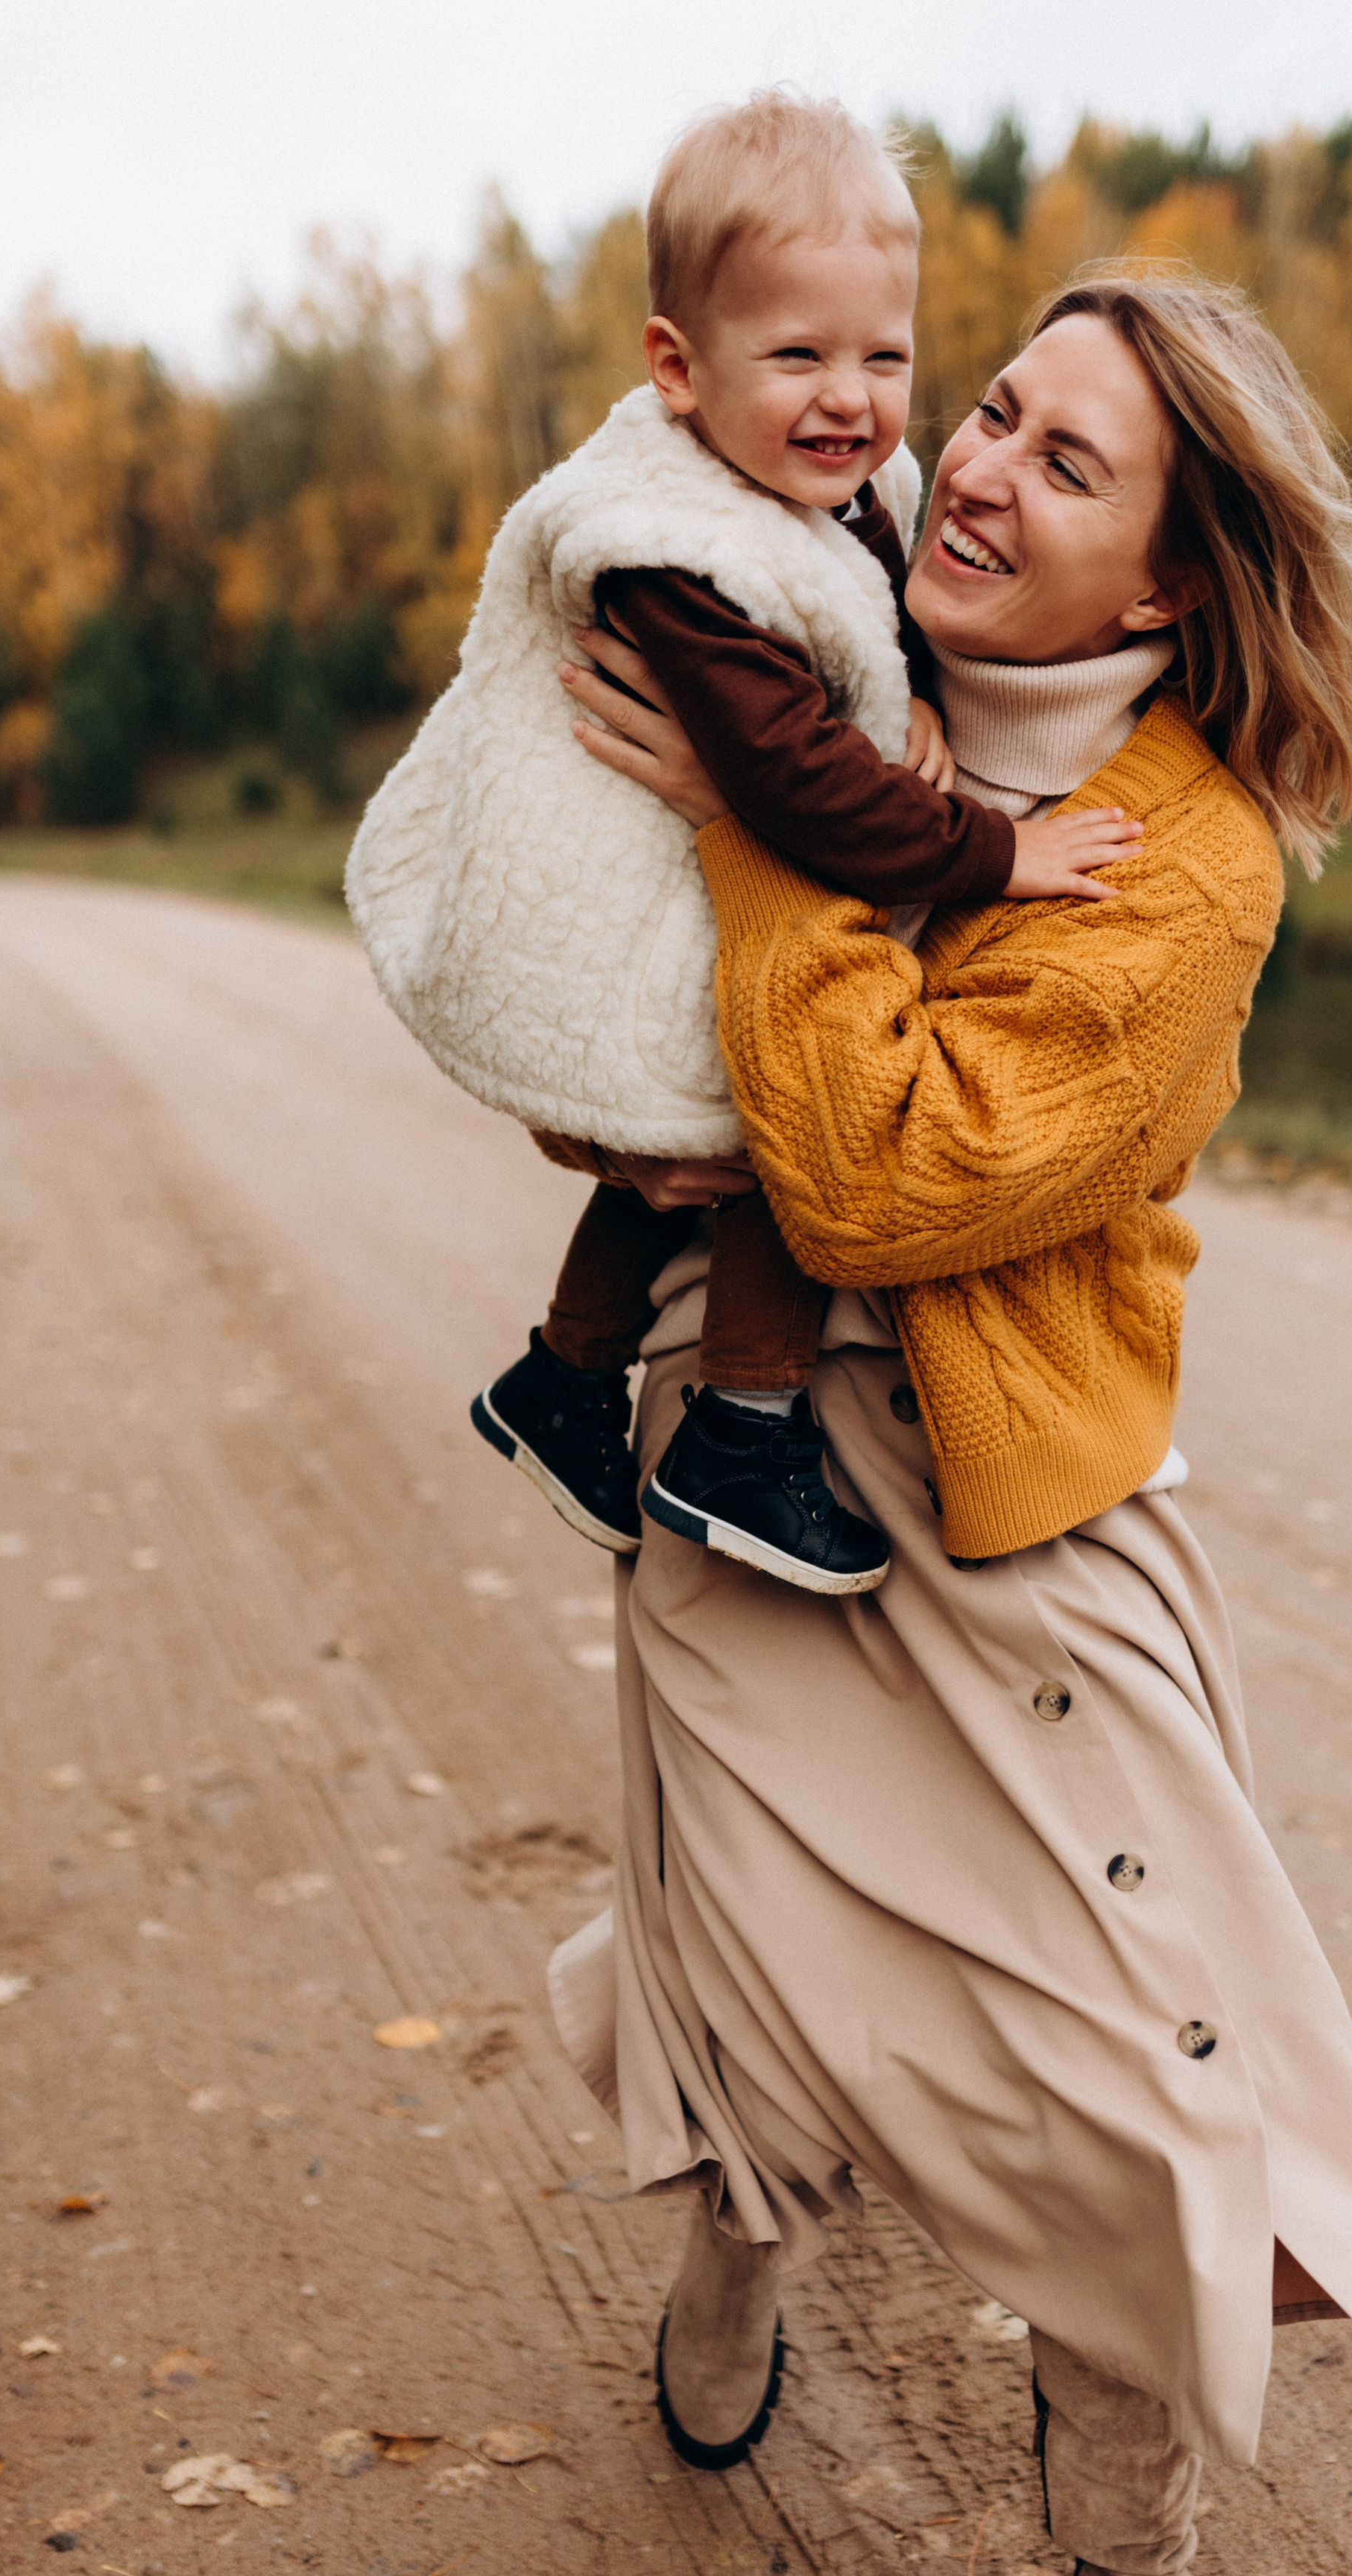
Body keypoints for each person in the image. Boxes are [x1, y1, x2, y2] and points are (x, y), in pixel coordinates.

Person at [543, 276, 1352, 2576]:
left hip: (1027, 1511)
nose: (973, 469)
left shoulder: (1188, 875)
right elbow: (593, 1031)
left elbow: (867, 1170)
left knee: (1161, 2093)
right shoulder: (812, 631)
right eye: (993, 414)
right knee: (745, 1961)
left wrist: (754, 818)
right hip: (745, 1459)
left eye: (1068, 467)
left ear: (1168, 592)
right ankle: (741, 2223)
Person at [347, 92, 1136, 1595]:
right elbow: (786, 779)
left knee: (736, 1126)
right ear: (677, 368)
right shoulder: (675, 558)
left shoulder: (811, 491)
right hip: (621, 901)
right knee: (782, 1129)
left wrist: (894, 676)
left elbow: (847, 617)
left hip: (704, 898)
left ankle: (563, 1382)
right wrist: (984, 851)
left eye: (885, 356)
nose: (849, 399)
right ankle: (742, 1427)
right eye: (797, 356)